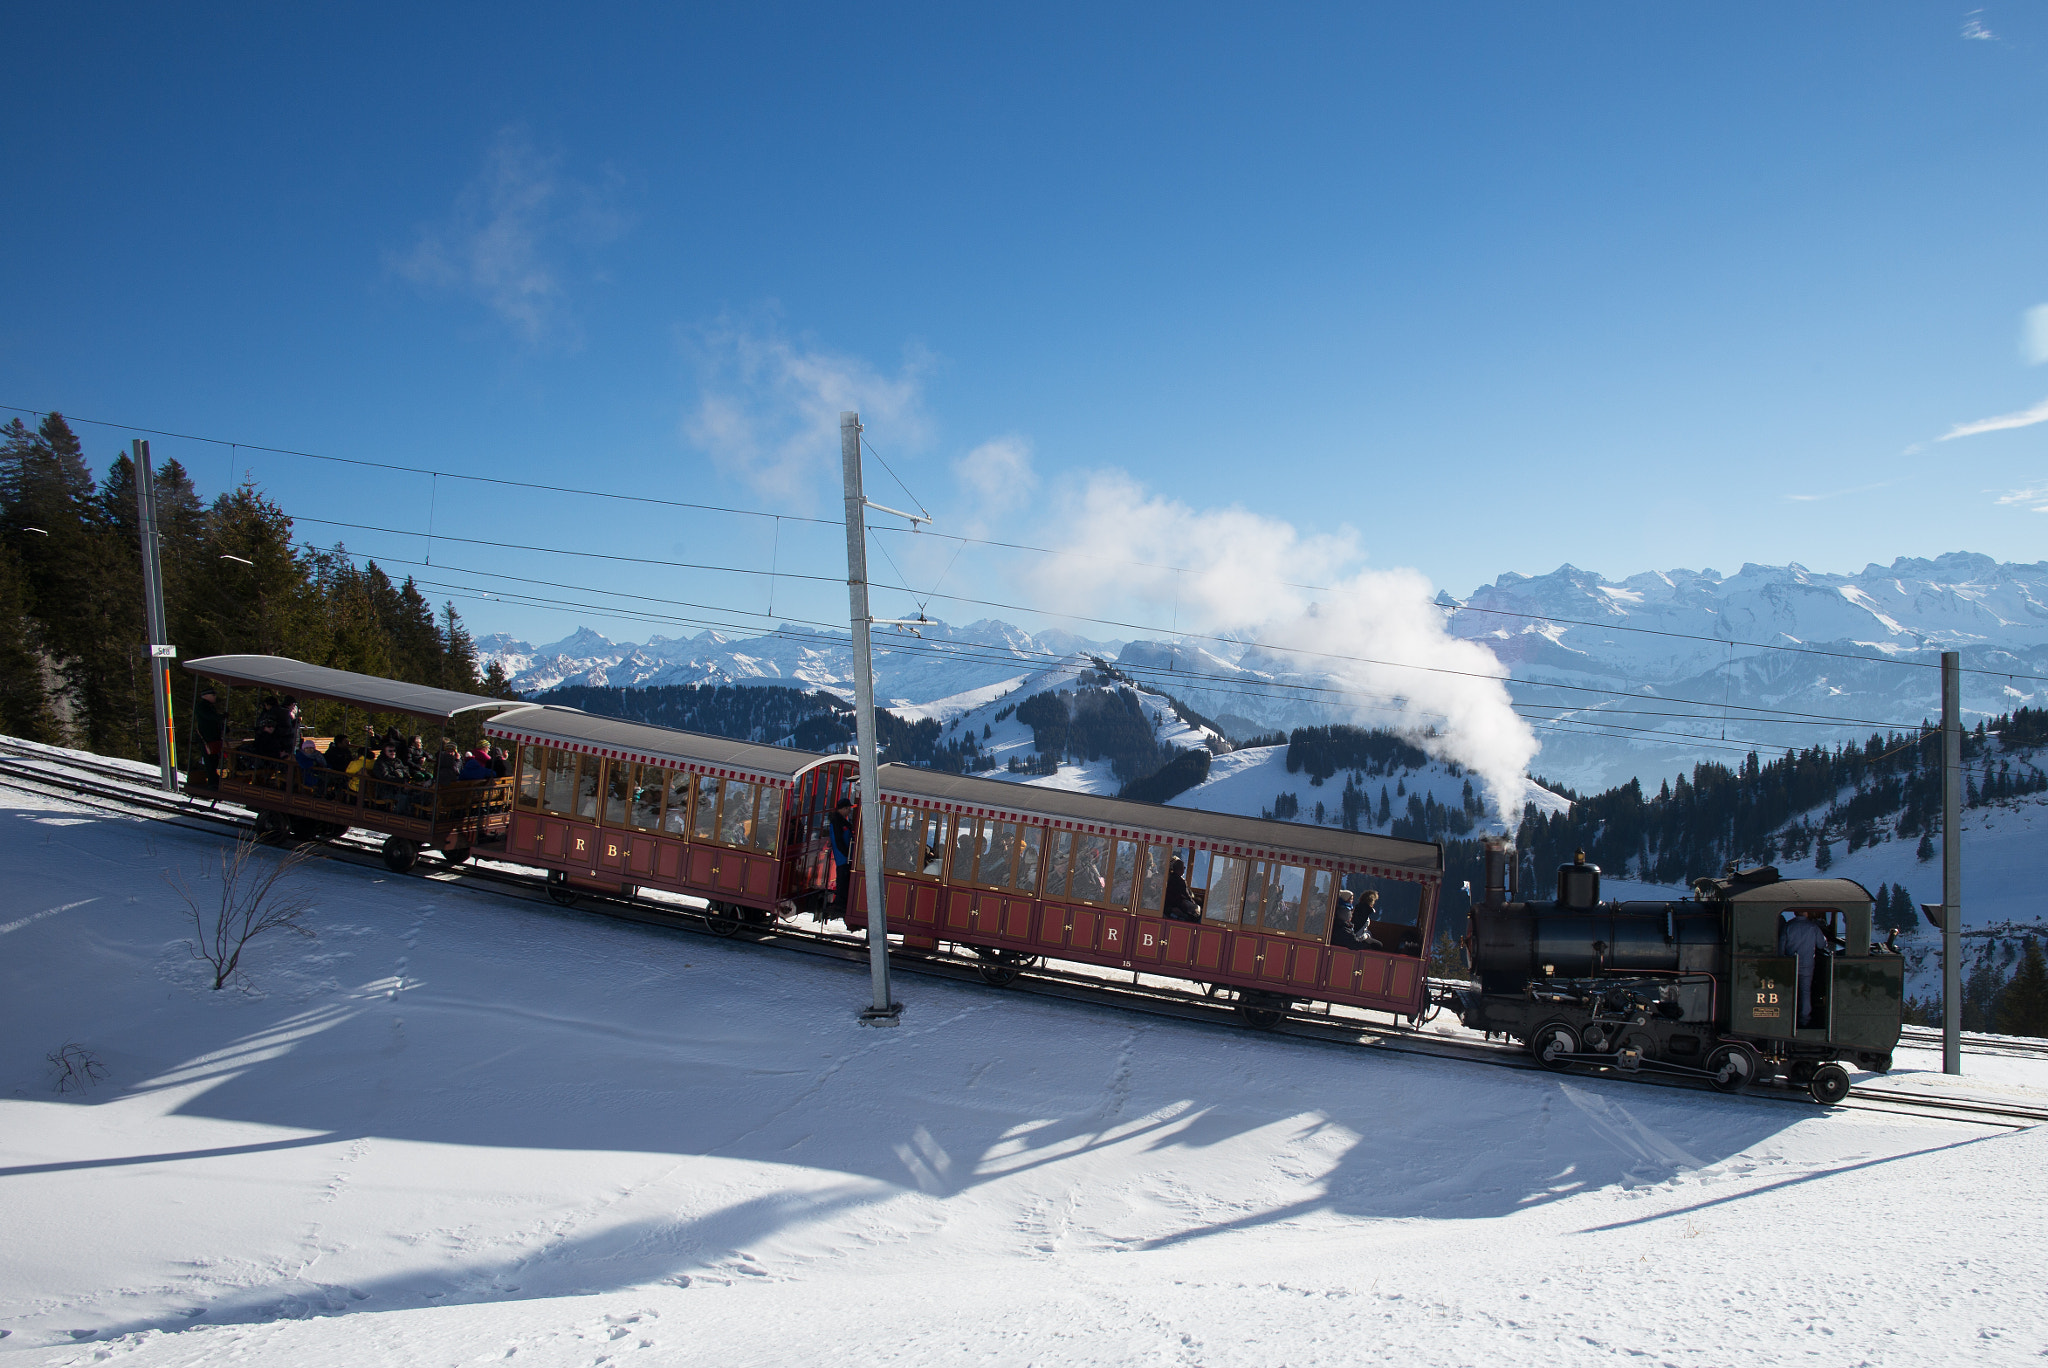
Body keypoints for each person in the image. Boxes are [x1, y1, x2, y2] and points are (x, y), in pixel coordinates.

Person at [1780, 909, 1831, 1028]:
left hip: (1790, 963)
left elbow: (1781, 947)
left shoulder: (1788, 926)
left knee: (1789, 991)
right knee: (1805, 991)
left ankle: (1788, 1016)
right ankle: (1804, 1019)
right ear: (1807, 913)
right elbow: (1822, 945)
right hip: (1807, 963)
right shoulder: (1813, 927)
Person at [829, 798, 857, 920]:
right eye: (848, 809)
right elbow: (838, 841)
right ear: (844, 808)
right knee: (842, 880)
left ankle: (841, 904)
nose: (849, 812)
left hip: (846, 856)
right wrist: (847, 853)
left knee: (844, 880)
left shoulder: (841, 821)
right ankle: (840, 905)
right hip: (843, 857)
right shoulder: (837, 822)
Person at [193, 685, 225, 788]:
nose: (215, 697)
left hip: (213, 737)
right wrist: (220, 717)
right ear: (206, 696)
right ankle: (212, 781)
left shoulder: (209, 706)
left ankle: (214, 779)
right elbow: (210, 718)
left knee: (214, 759)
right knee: (210, 760)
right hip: (207, 737)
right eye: (213, 695)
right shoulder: (202, 706)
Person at [1163, 856, 1202, 922]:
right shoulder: (1180, 881)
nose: (1184, 869)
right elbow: (1187, 896)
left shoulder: (1170, 878)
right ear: (1180, 869)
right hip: (1177, 905)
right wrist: (1194, 904)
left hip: (1169, 903)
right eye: (1184, 868)